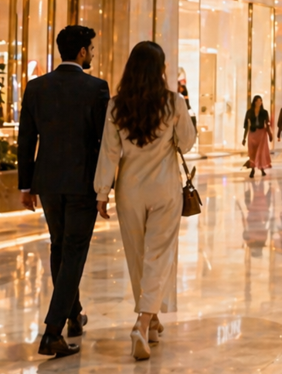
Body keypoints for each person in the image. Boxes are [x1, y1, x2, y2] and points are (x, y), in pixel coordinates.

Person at [94, 41, 196, 362]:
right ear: (160, 70)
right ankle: (143, 321)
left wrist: (102, 192)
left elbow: (109, 153)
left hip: (130, 189)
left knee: (137, 255)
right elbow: (188, 143)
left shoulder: (116, 106)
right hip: (164, 188)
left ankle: (151, 319)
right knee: (160, 255)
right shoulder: (173, 103)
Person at [17, 24, 110, 358]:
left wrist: (26, 185)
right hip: (83, 183)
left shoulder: (36, 87)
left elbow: (26, 138)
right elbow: (104, 142)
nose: (92, 56)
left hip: (48, 182)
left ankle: (73, 314)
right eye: (92, 51)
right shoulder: (97, 88)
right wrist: (105, 185)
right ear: (82, 52)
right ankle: (52, 331)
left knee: (60, 246)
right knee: (73, 251)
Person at [243, 95, 273, 178]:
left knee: (260, 152)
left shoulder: (264, 112)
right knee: (252, 153)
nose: (259, 102)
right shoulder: (249, 112)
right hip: (252, 134)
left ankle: (262, 169)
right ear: (254, 102)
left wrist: (270, 134)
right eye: (257, 101)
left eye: (260, 101)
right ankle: (252, 170)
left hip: (261, 133)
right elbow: (246, 125)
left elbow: (267, 124)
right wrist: (244, 138)